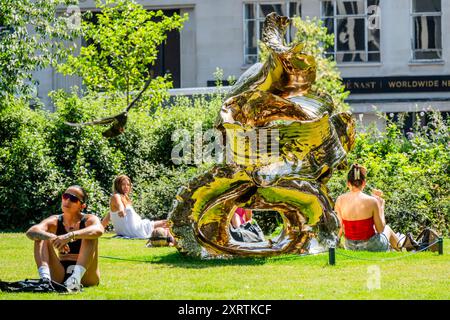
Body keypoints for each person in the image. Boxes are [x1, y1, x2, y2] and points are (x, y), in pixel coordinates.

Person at [25, 185, 104, 292]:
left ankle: (75, 278)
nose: (67, 200)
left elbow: (99, 229)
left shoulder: (88, 219)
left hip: (86, 275)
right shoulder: (55, 220)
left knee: (90, 233)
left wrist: (70, 235)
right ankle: (45, 279)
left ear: (82, 206)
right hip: (59, 273)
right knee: (41, 235)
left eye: (73, 199)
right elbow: (31, 232)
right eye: (65, 196)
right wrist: (52, 237)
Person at [334, 164, 401, 252]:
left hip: (350, 246)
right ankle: (402, 250)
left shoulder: (340, 200)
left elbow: (339, 227)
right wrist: (381, 207)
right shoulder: (372, 201)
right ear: (364, 183)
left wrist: (336, 243)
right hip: (371, 246)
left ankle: (402, 249)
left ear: (348, 183)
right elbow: (380, 229)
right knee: (387, 229)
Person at [101, 175, 174, 244]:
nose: (126, 187)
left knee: (166, 223)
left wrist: (100, 229)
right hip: (136, 230)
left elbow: (109, 216)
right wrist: (121, 210)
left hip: (137, 226)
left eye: (128, 185)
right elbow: (120, 205)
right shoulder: (116, 196)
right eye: (123, 184)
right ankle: (173, 242)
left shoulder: (125, 198)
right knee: (167, 223)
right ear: (118, 185)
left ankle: (171, 241)